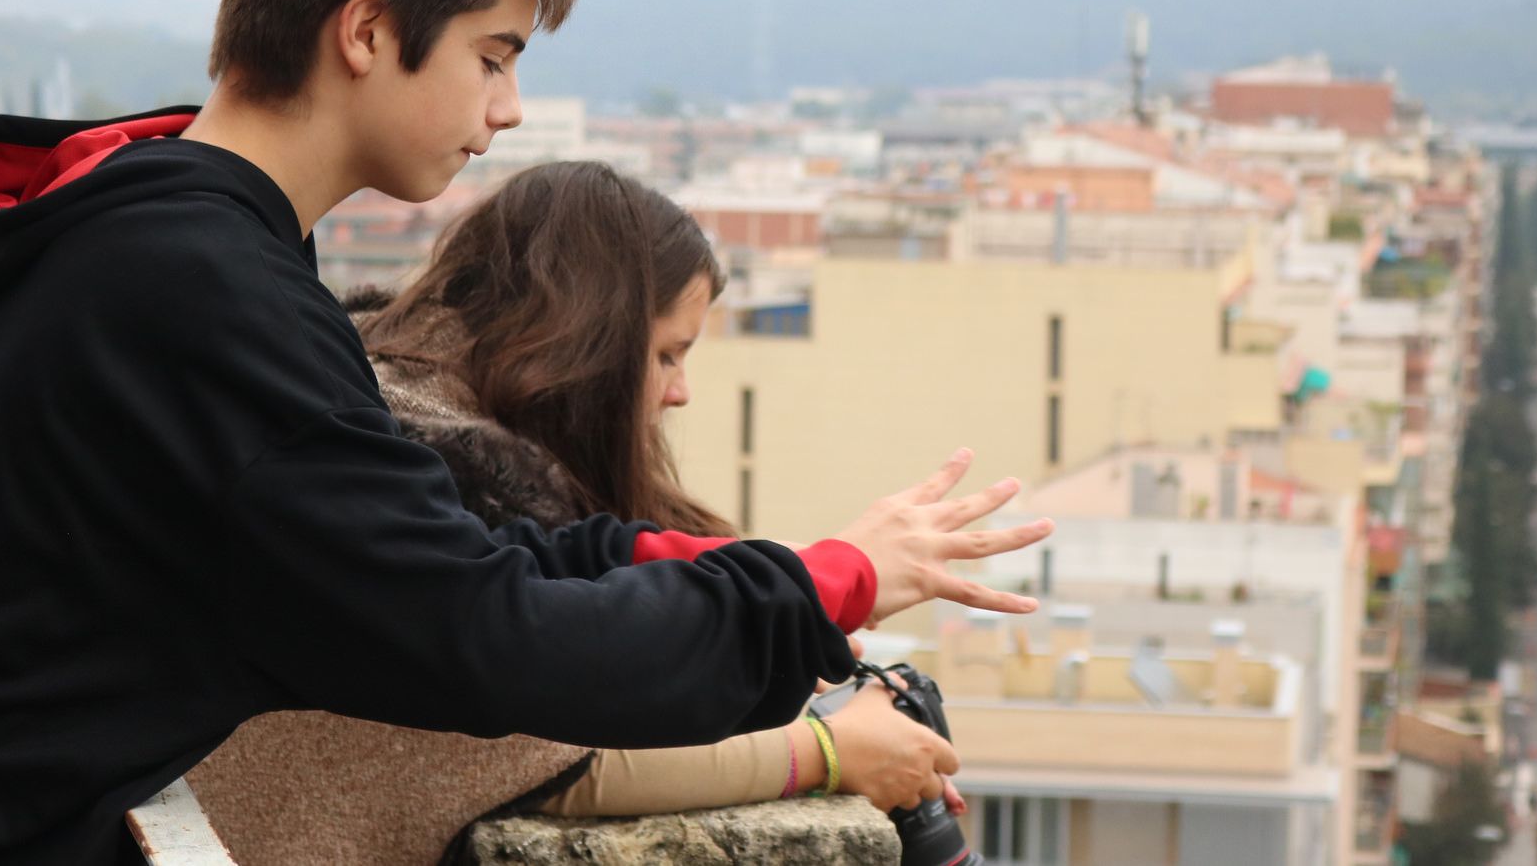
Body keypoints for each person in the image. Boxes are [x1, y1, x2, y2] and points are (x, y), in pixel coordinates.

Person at [0, 0, 1050, 864]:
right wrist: (820, 587)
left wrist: (730, 568)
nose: (506, 109)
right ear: (369, 31)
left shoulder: (171, 242)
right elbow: (479, 637)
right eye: (493, 55)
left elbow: (444, 544)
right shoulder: (196, 290)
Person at [190, 163, 965, 864]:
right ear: (592, 349)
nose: (680, 391)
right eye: (665, 354)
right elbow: (556, 756)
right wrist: (829, 749)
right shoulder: (428, 473)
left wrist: (765, 607)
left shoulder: (368, 403)